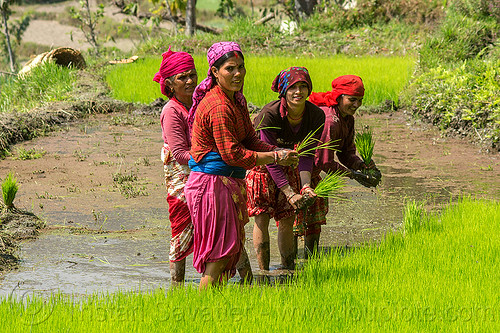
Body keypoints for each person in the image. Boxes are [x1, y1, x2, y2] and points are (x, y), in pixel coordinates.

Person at [184, 42, 298, 289]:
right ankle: (203, 312)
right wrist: (275, 158)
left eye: (241, 67)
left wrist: (276, 150)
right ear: (215, 72)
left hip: (225, 183)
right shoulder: (218, 105)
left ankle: (213, 310)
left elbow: (249, 138)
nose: (238, 74)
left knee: (227, 252)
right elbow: (233, 154)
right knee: (218, 256)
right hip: (211, 186)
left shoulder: (236, 99)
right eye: (230, 68)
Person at [246, 67, 325, 271]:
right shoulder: (269, 115)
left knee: (288, 218)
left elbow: (307, 153)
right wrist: (289, 192)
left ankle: (287, 269)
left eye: (303, 87)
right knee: (262, 217)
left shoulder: (315, 115)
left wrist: (305, 186)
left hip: (289, 162)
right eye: (293, 88)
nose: (298, 92)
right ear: (283, 91)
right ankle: (263, 271)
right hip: (263, 166)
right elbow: (270, 160)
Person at [299, 75, 379, 255]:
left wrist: (361, 165)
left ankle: (309, 260)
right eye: (352, 100)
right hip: (298, 170)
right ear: (339, 97)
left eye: (360, 100)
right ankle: (291, 265)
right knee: (296, 221)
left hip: (313, 172)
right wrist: (353, 175)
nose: (356, 105)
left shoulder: (347, 118)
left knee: (314, 220)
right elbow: (324, 162)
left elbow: (346, 153)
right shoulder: (330, 120)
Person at [153, 46, 198, 286]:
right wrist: (213, 157)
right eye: (183, 77)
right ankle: (177, 285)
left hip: (203, 170)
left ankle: (243, 279)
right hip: (183, 179)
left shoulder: (199, 102)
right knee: (181, 230)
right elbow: (180, 154)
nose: (190, 80)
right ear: (170, 84)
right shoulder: (172, 111)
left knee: (221, 224)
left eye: (193, 74)